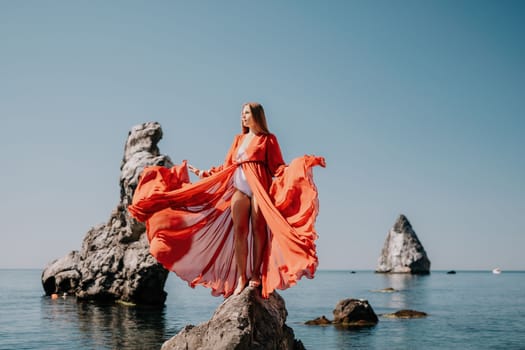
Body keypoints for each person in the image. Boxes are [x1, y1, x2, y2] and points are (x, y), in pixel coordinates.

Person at [128, 102, 325, 298]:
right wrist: (206, 173)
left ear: (257, 116)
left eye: (246, 113)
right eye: (242, 113)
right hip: (239, 188)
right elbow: (227, 166)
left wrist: (298, 167)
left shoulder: (268, 139)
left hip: (260, 190)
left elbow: (278, 167)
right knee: (240, 231)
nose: (243, 117)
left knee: (258, 230)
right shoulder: (238, 139)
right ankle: (241, 277)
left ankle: (255, 274)